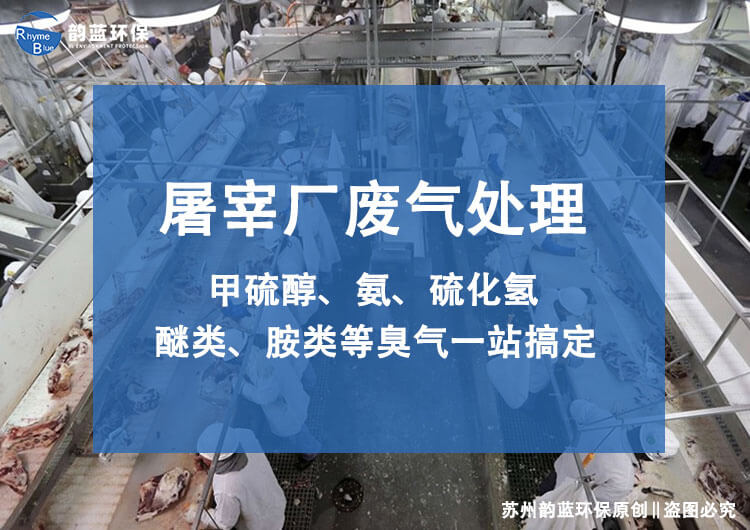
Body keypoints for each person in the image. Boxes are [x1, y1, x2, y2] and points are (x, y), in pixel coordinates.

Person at [196, 424, 286, 530]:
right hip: (276, 501)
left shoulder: (226, 486)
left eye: (203, 456)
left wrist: (199, 514)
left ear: (212, 460)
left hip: (263, 525)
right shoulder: (245, 435)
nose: (200, 456)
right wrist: (208, 466)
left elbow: (225, 523)